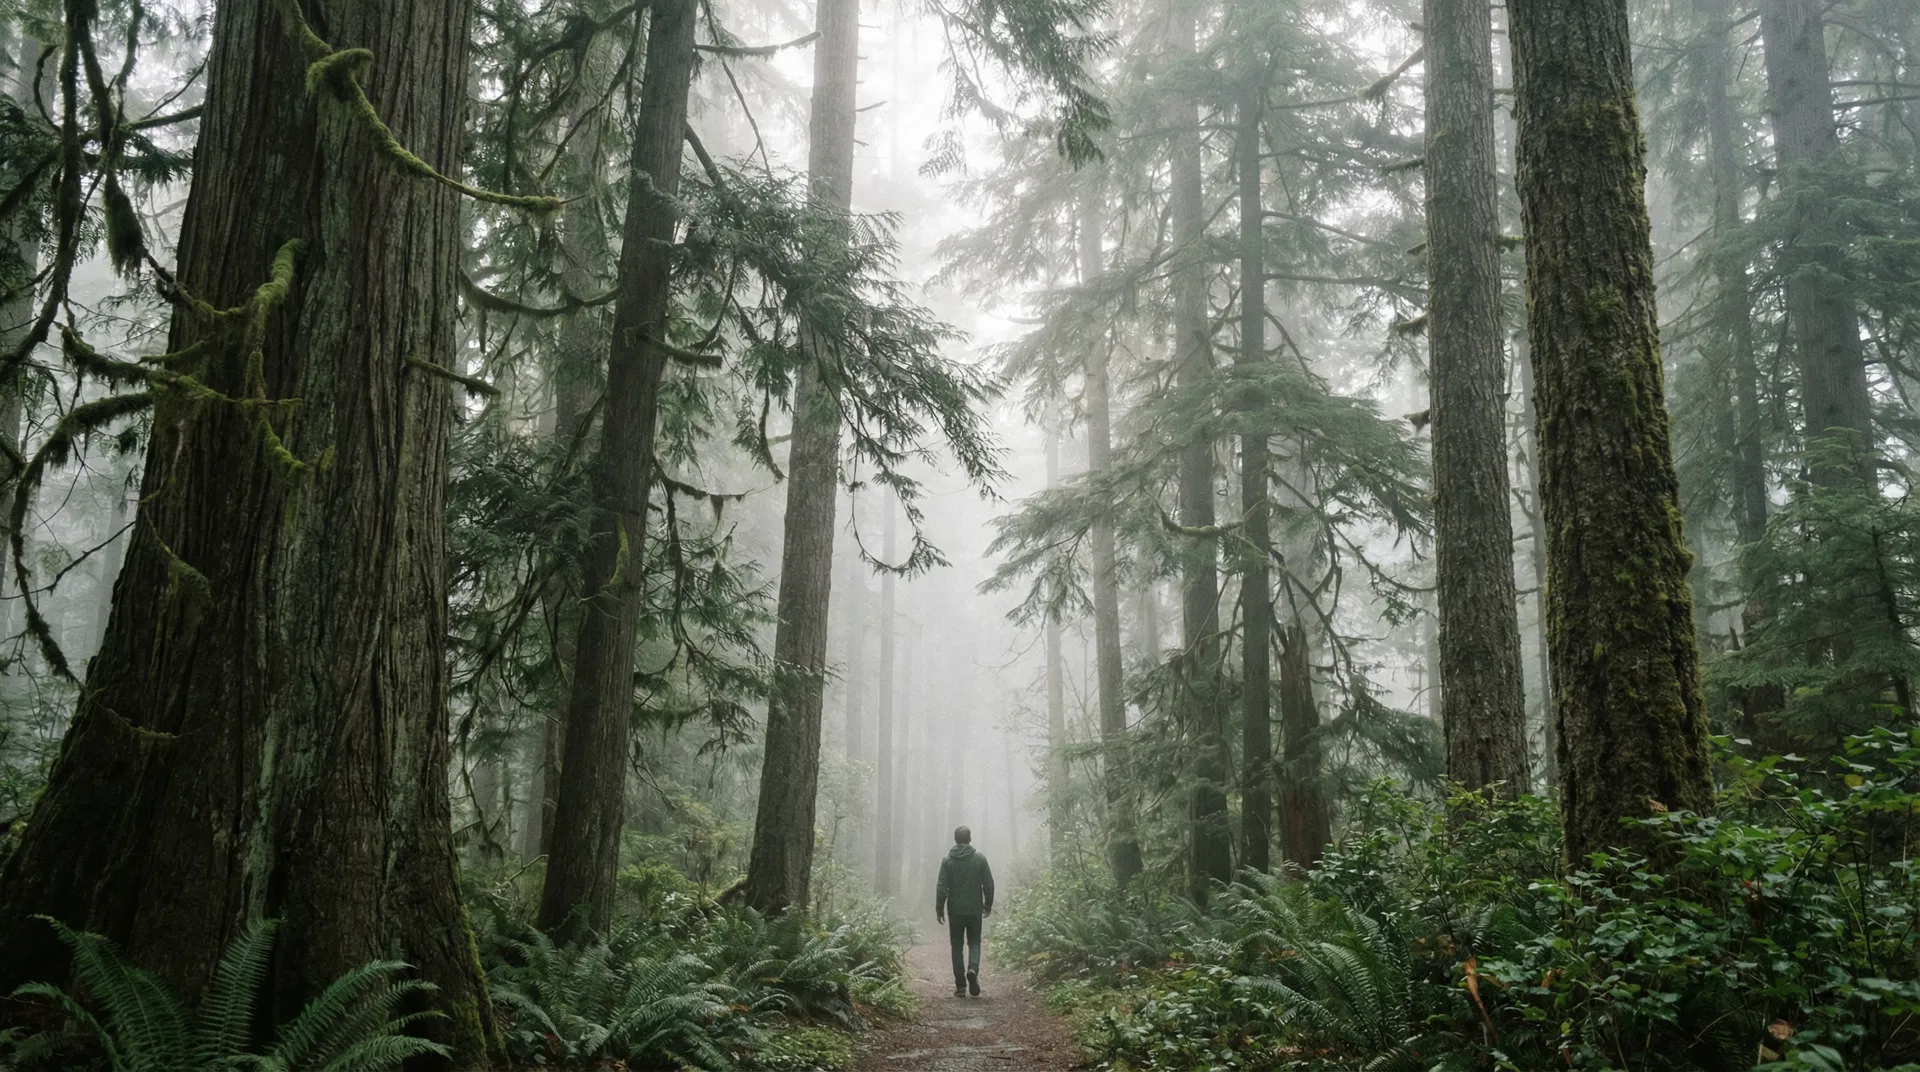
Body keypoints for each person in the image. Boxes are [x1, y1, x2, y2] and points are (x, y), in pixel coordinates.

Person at [934, 825, 995, 998]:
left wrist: (939, 908)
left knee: (957, 946)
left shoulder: (947, 860)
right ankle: (973, 969)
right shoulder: (979, 859)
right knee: (974, 942)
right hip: (974, 909)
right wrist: (988, 904)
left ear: (955, 839)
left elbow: (941, 887)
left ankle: (960, 986)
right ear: (969, 839)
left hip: (955, 910)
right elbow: (988, 884)